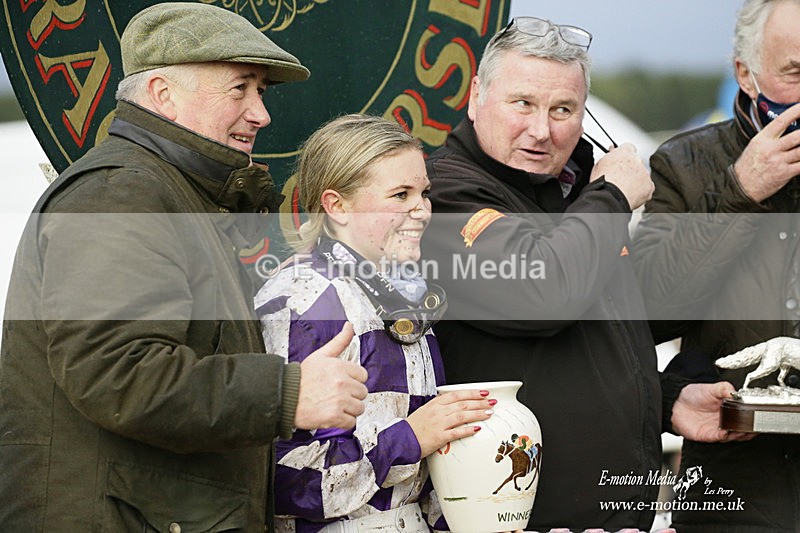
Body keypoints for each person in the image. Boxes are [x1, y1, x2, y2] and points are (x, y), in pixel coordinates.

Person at [0, 4, 369, 531]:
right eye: (239, 88)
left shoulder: (169, 195)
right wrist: (287, 393)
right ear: (162, 95)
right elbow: (118, 373)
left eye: (261, 92)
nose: (261, 114)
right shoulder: (122, 194)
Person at [420, 16, 747, 532]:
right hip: (515, 514)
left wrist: (665, 401)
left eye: (563, 110)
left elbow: (586, 342)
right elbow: (544, 295)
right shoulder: (446, 195)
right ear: (477, 95)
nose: (541, 129)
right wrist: (614, 196)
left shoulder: (576, 194)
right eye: (522, 103)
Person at [255, 113, 498, 533]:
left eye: (423, 192)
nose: (421, 210)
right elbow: (287, 481)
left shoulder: (403, 292)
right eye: (400, 195)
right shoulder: (307, 297)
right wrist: (409, 438)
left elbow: (423, 480)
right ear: (337, 206)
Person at [633, 0, 800, 531]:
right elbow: (650, 313)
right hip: (736, 483)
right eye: (796, 73)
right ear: (746, 74)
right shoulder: (683, 164)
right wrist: (738, 194)